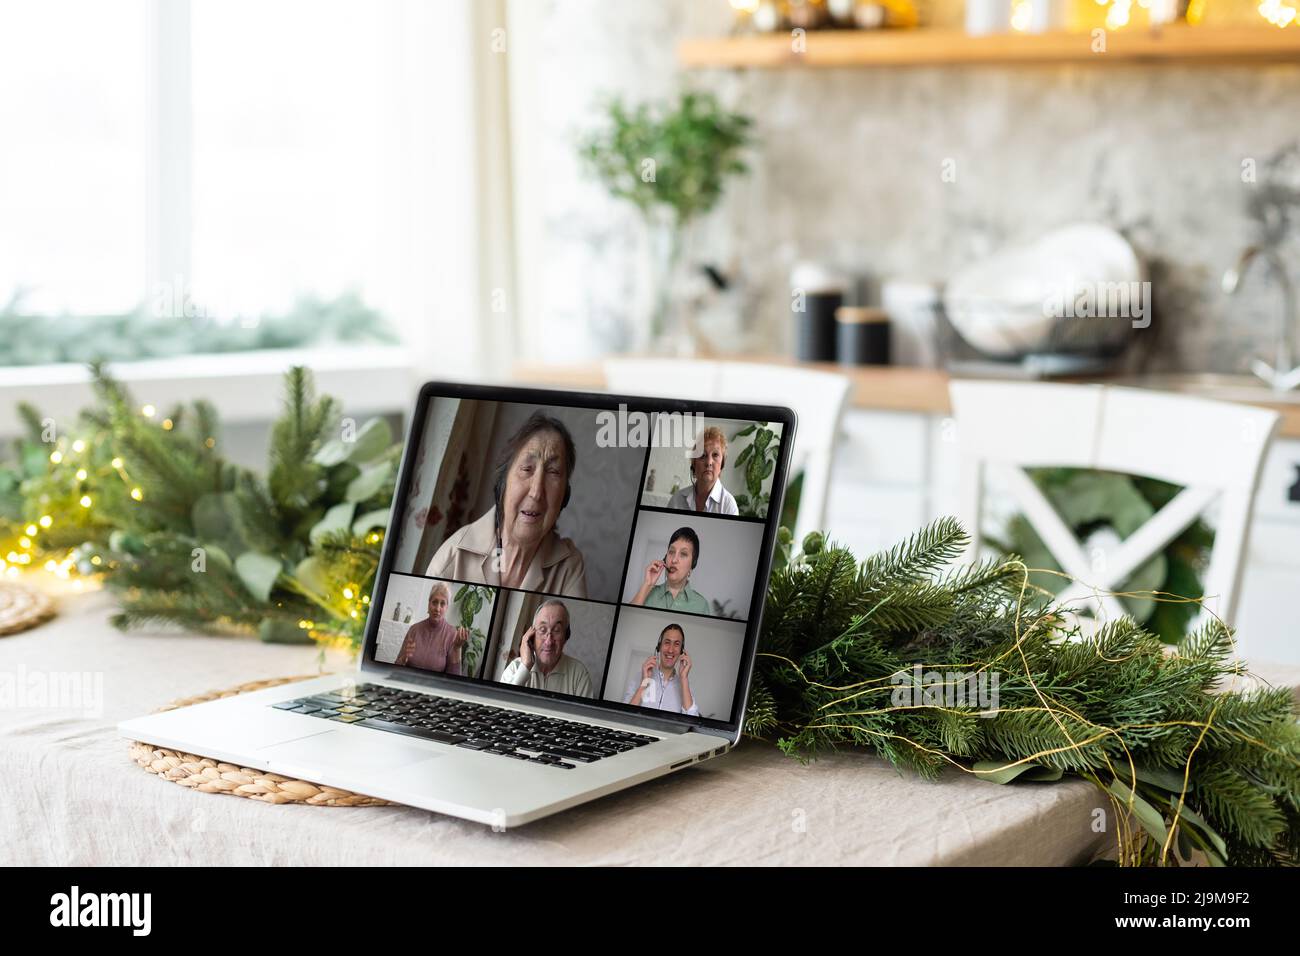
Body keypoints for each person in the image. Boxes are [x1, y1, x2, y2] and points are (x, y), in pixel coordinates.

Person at [428, 411, 588, 597]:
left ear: (564, 496)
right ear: (503, 485)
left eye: (553, 472)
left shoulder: (569, 567)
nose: (536, 492)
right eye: (527, 469)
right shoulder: (454, 555)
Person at [499, 599, 594, 698]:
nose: (549, 642)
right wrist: (525, 666)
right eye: (542, 630)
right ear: (531, 636)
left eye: (557, 630)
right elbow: (501, 705)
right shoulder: (515, 668)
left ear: (566, 636)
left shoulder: (579, 674)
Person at [628, 526, 711, 615]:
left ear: (692, 566)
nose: (674, 560)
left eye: (683, 554)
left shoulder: (702, 605)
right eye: (671, 552)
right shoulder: (647, 592)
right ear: (665, 558)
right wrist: (647, 584)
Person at [393, 582, 469, 675]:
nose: (437, 608)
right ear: (428, 604)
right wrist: (403, 658)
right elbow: (395, 667)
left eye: (442, 604)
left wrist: (457, 648)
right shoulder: (414, 629)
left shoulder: (452, 634)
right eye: (434, 602)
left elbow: (454, 680)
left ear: (446, 608)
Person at [625, 623, 699, 716]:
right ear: (659, 646)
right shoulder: (639, 677)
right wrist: (644, 683)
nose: (670, 650)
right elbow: (625, 715)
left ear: (681, 651)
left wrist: (684, 678)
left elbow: (692, 721)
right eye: (667, 642)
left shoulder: (685, 686)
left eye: (676, 644)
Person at [667, 425, 738, 516]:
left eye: (715, 455)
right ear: (694, 464)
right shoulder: (677, 500)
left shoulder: (728, 505)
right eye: (702, 455)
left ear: (722, 464)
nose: (709, 462)